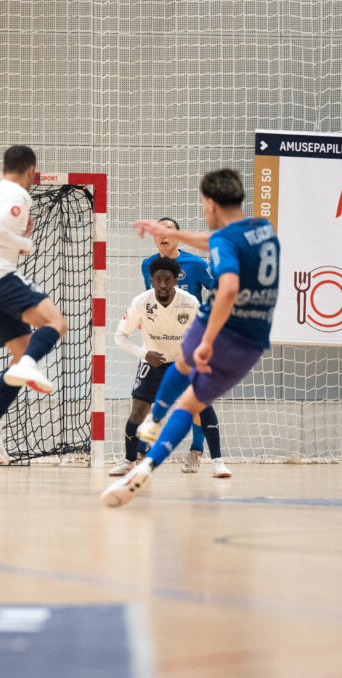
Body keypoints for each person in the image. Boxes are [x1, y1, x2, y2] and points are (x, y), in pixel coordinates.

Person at [102, 168, 280, 507]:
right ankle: (146, 464)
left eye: (203, 205)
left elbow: (227, 286)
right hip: (253, 340)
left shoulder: (224, 243)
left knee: (184, 363)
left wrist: (209, 340)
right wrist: (175, 236)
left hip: (218, 326)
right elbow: (219, 241)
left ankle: (153, 426)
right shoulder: (262, 229)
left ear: (211, 203)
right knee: (191, 403)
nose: (203, 211)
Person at [0, 145, 69, 464]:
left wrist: (17, 244)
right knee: (56, 323)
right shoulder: (19, 195)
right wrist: (26, 242)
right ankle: (29, 365)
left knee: (23, 353)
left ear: (3, 167)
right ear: (30, 172)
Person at [141, 217, 227, 476]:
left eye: (169, 230)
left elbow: (219, 289)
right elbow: (150, 299)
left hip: (192, 343)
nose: (163, 236)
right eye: (158, 232)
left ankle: (197, 451)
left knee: (197, 400)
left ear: (178, 236)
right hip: (162, 344)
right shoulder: (148, 265)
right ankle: (135, 456)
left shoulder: (196, 264)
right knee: (148, 401)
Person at [109, 257, 199, 476]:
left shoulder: (190, 303)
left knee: (201, 411)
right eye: (158, 280)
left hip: (181, 364)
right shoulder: (141, 302)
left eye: (168, 280)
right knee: (137, 414)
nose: (162, 285)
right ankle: (130, 461)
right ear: (151, 280)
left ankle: (211, 458)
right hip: (152, 362)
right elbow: (119, 337)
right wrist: (144, 354)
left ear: (176, 281)